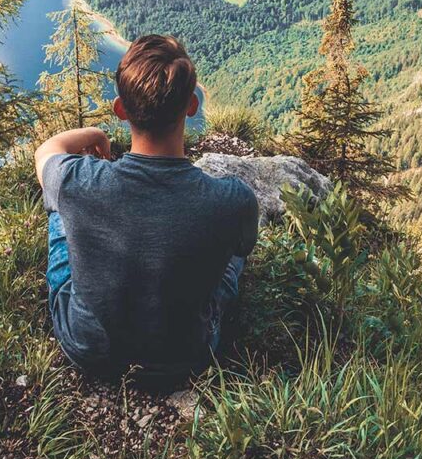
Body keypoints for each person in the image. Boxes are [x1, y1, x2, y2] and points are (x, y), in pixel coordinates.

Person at [34, 33, 259, 385]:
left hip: (87, 347)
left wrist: (96, 135)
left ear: (121, 110)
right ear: (191, 106)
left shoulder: (79, 181)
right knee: (230, 256)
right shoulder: (234, 200)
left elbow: (47, 151)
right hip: (185, 358)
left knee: (61, 210)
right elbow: (244, 245)